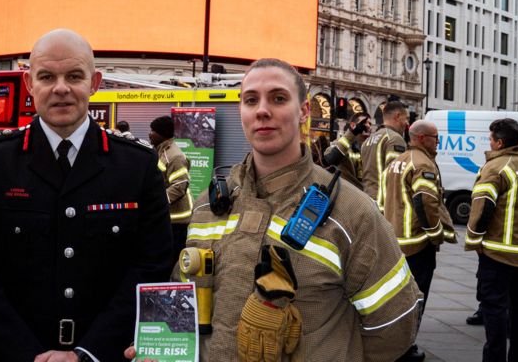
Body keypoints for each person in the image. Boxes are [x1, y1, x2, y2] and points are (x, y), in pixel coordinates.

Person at [132, 59, 421, 361]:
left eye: (279, 98)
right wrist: (162, 350)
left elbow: (395, 325)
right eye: (251, 100)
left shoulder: (352, 211)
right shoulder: (208, 204)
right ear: (240, 110)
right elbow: (183, 301)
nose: (262, 110)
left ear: (304, 111)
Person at [0, 28, 173, 361]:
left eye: (74, 76)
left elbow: (151, 266)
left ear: (94, 83)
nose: (61, 88)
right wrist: (26, 353)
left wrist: (89, 352)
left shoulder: (136, 165)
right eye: (47, 76)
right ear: (29, 84)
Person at [465, 118, 518, 362]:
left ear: (499, 142)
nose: (489, 142)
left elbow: (482, 208)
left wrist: (475, 241)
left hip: (497, 254)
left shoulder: (495, 168)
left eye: (490, 138)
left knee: (495, 313)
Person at [381, 119, 457, 362]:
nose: (438, 142)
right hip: (417, 244)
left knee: (397, 298)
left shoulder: (395, 162)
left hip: (395, 241)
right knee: (416, 298)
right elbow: (425, 202)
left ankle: (393, 344)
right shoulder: (423, 163)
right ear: (422, 138)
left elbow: (383, 201)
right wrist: (435, 235)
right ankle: (407, 347)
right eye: (436, 138)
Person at [148, 115, 192, 259]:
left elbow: (179, 186)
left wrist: (157, 202)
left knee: (173, 259)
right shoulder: (161, 151)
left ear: (162, 134)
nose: (150, 133)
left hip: (177, 220)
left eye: (153, 130)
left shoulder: (174, 156)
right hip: (167, 217)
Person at [360, 101, 409, 210]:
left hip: (367, 200)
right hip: (383, 205)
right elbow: (396, 177)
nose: (407, 123)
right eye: (406, 118)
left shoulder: (368, 140)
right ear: (397, 116)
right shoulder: (394, 139)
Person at [322, 112, 371, 188]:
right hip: (347, 194)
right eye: (364, 123)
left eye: (370, 124)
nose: (368, 126)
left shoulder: (371, 148)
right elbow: (330, 159)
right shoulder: (340, 143)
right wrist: (353, 133)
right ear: (352, 125)